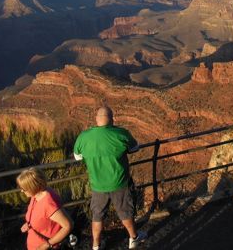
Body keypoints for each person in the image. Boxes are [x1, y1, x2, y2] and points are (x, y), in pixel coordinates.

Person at [74, 106, 147, 250]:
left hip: (97, 185)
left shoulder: (83, 137)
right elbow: (134, 148)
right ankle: (133, 238)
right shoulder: (121, 133)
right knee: (125, 212)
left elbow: (77, 157)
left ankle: (96, 245)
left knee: (97, 216)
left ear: (96, 119)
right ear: (112, 119)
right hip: (119, 182)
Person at [17, 167, 73, 250]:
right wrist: (29, 224)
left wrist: (47, 245)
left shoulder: (48, 203)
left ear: (32, 187)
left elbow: (68, 226)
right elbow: (41, 216)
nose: (21, 191)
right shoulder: (36, 196)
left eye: (23, 188)